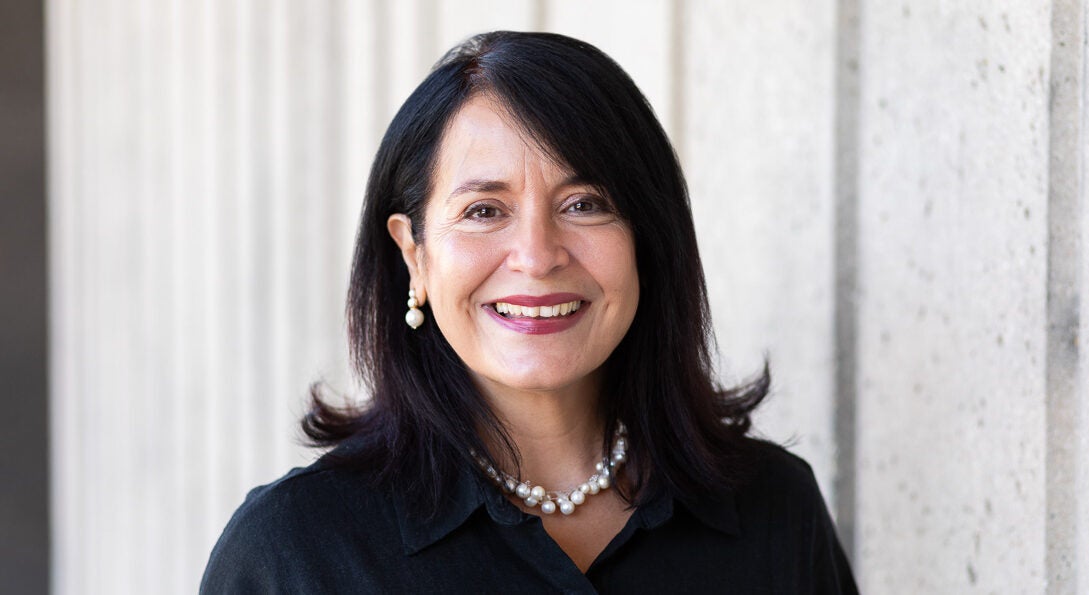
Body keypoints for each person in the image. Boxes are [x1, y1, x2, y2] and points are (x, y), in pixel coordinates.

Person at [200, 31, 857, 593]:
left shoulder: (773, 508)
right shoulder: (295, 552)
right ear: (414, 253)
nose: (537, 256)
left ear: (646, 241)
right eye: (484, 210)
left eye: (584, 204)